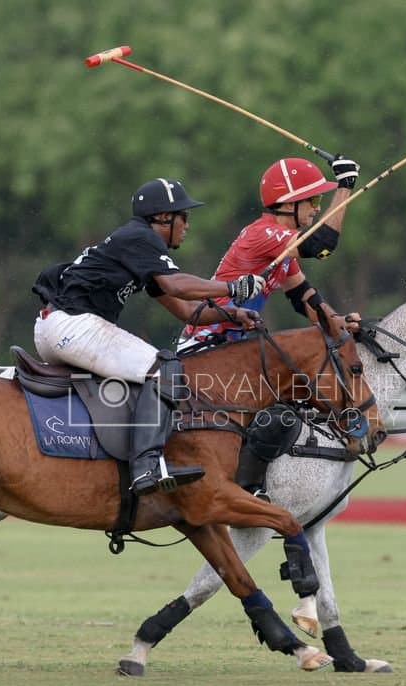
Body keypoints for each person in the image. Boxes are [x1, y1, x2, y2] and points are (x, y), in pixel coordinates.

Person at [31, 177, 263, 496]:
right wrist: (234, 287)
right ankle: (146, 467)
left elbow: (186, 311)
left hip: (53, 327)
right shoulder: (140, 237)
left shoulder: (139, 251)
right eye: (184, 216)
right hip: (72, 326)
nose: (188, 225)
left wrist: (233, 313)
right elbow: (177, 285)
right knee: (165, 368)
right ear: (162, 217)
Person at [180, 155, 362, 349]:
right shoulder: (265, 234)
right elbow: (322, 245)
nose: (317, 208)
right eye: (314, 200)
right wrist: (345, 187)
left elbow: (304, 296)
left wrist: (336, 321)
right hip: (203, 343)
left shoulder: (282, 246)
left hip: (231, 345)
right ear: (290, 203)